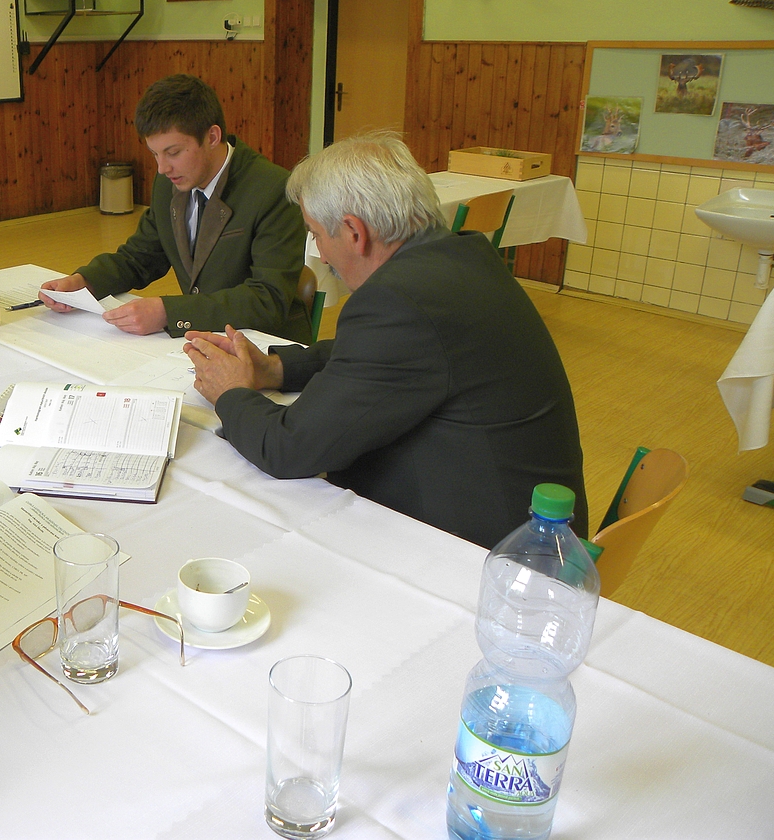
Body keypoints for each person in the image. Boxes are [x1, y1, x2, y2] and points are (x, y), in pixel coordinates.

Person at [184, 134, 587, 549]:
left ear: (354, 232)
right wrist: (277, 368)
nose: (320, 255)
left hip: (490, 552)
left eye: (316, 234)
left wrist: (230, 392)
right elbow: (370, 356)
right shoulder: (458, 256)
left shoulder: (399, 300)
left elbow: (289, 449)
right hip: (520, 516)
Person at [40, 74, 310, 342]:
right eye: (155, 154)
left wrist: (168, 312)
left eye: (173, 152)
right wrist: (85, 282)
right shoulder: (169, 183)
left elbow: (268, 299)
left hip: (265, 345)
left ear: (212, 136)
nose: (162, 168)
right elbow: (140, 257)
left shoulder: (274, 189)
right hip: (202, 338)